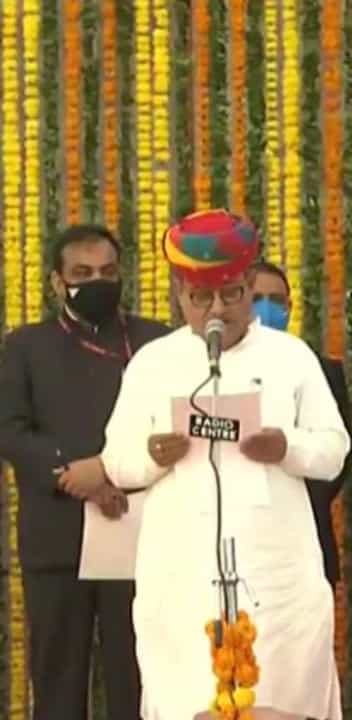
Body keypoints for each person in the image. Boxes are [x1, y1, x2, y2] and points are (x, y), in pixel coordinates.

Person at [99, 210, 349, 720]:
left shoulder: (291, 357)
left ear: (249, 285)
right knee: (188, 700)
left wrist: (287, 447)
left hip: (276, 573)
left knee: (278, 699)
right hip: (182, 575)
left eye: (231, 294)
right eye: (201, 297)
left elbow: (334, 449)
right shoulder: (154, 363)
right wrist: (151, 456)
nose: (218, 309)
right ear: (179, 295)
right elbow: (116, 462)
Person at [0, 224, 169, 720]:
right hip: (59, 537)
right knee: (58, 683)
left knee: (138, 682)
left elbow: (171, 425)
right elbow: (11, 430)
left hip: (139, 533)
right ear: (57, 282)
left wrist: (111, 473)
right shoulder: (26, 346)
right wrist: (74, 475)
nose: (97, 282)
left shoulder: (156, 341)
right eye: (82, 273)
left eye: (107, 272)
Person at [247, 260, 352, 586]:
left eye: (276, 300)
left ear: (289, 308)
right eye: (257, 298)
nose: (267, 308)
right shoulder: (215, 366)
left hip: (307, 527)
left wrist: (293, 497)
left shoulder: (320, 369)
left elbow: (340, 451)